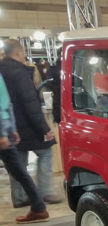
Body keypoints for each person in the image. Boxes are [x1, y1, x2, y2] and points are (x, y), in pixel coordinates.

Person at [0, 39, 63, 208]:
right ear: (18, 52)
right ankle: (45, 191)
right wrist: (44, 128)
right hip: (25, 125)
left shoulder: (2, 71)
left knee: (18, 163)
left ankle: (19, 198)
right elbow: (30, 103)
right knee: (45, 154)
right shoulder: (19, 72)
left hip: (11, 125)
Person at [0, 72, 49, 223]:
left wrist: (3, 133)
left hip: (2, 130)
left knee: (18, 171)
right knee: (19, 171)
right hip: (6, 128)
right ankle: (38, 207)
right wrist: (11, 128)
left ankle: (39, 207)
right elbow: (6, 103)